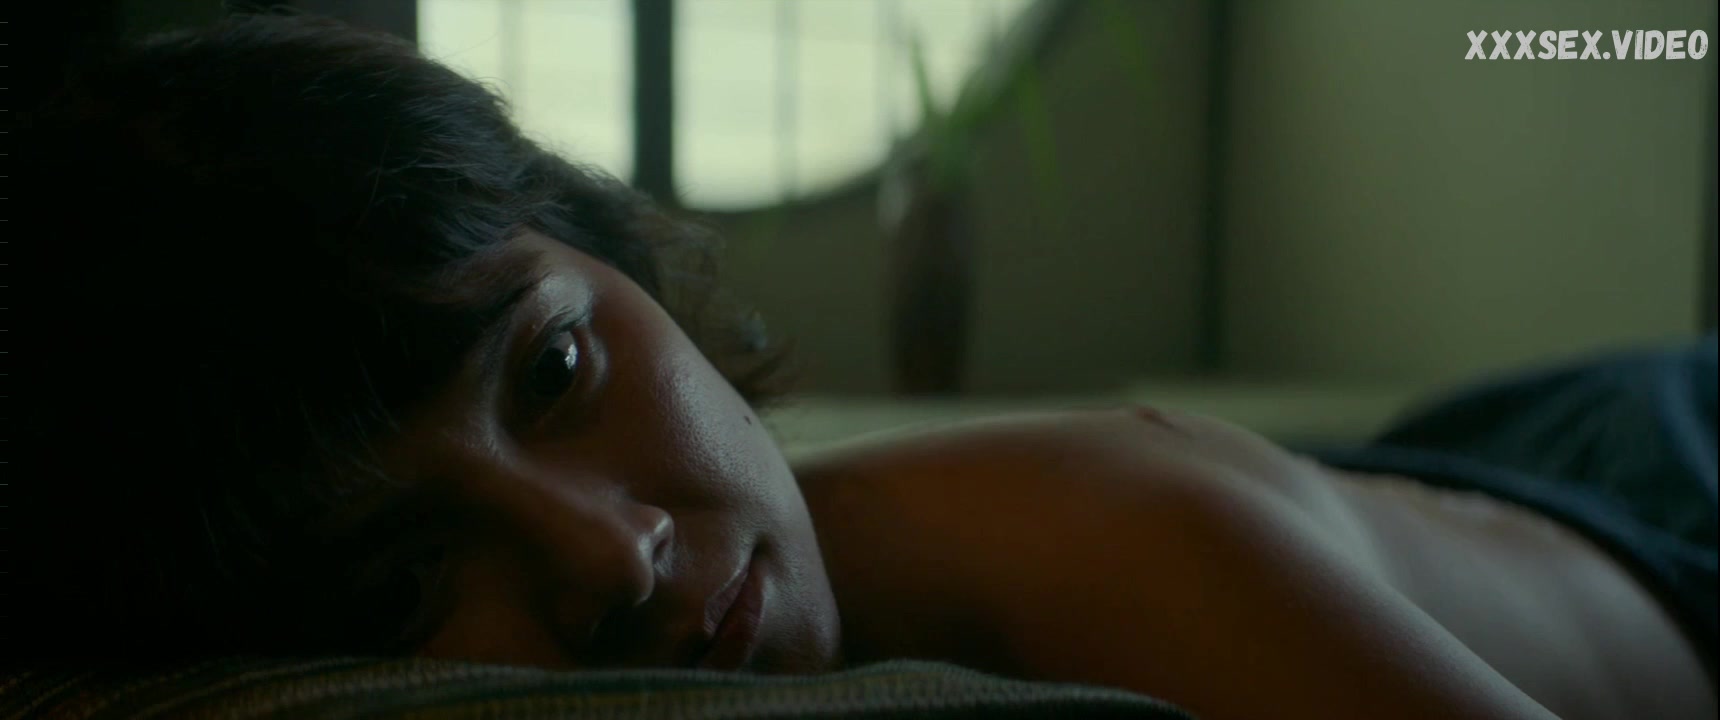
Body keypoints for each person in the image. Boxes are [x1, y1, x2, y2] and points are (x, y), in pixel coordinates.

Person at [14, 13, 1715, 720]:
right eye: (402, 585)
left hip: (1650, 492)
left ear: (611, 254)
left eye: (553, 372)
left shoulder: (1107, 542)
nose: (611, 558)